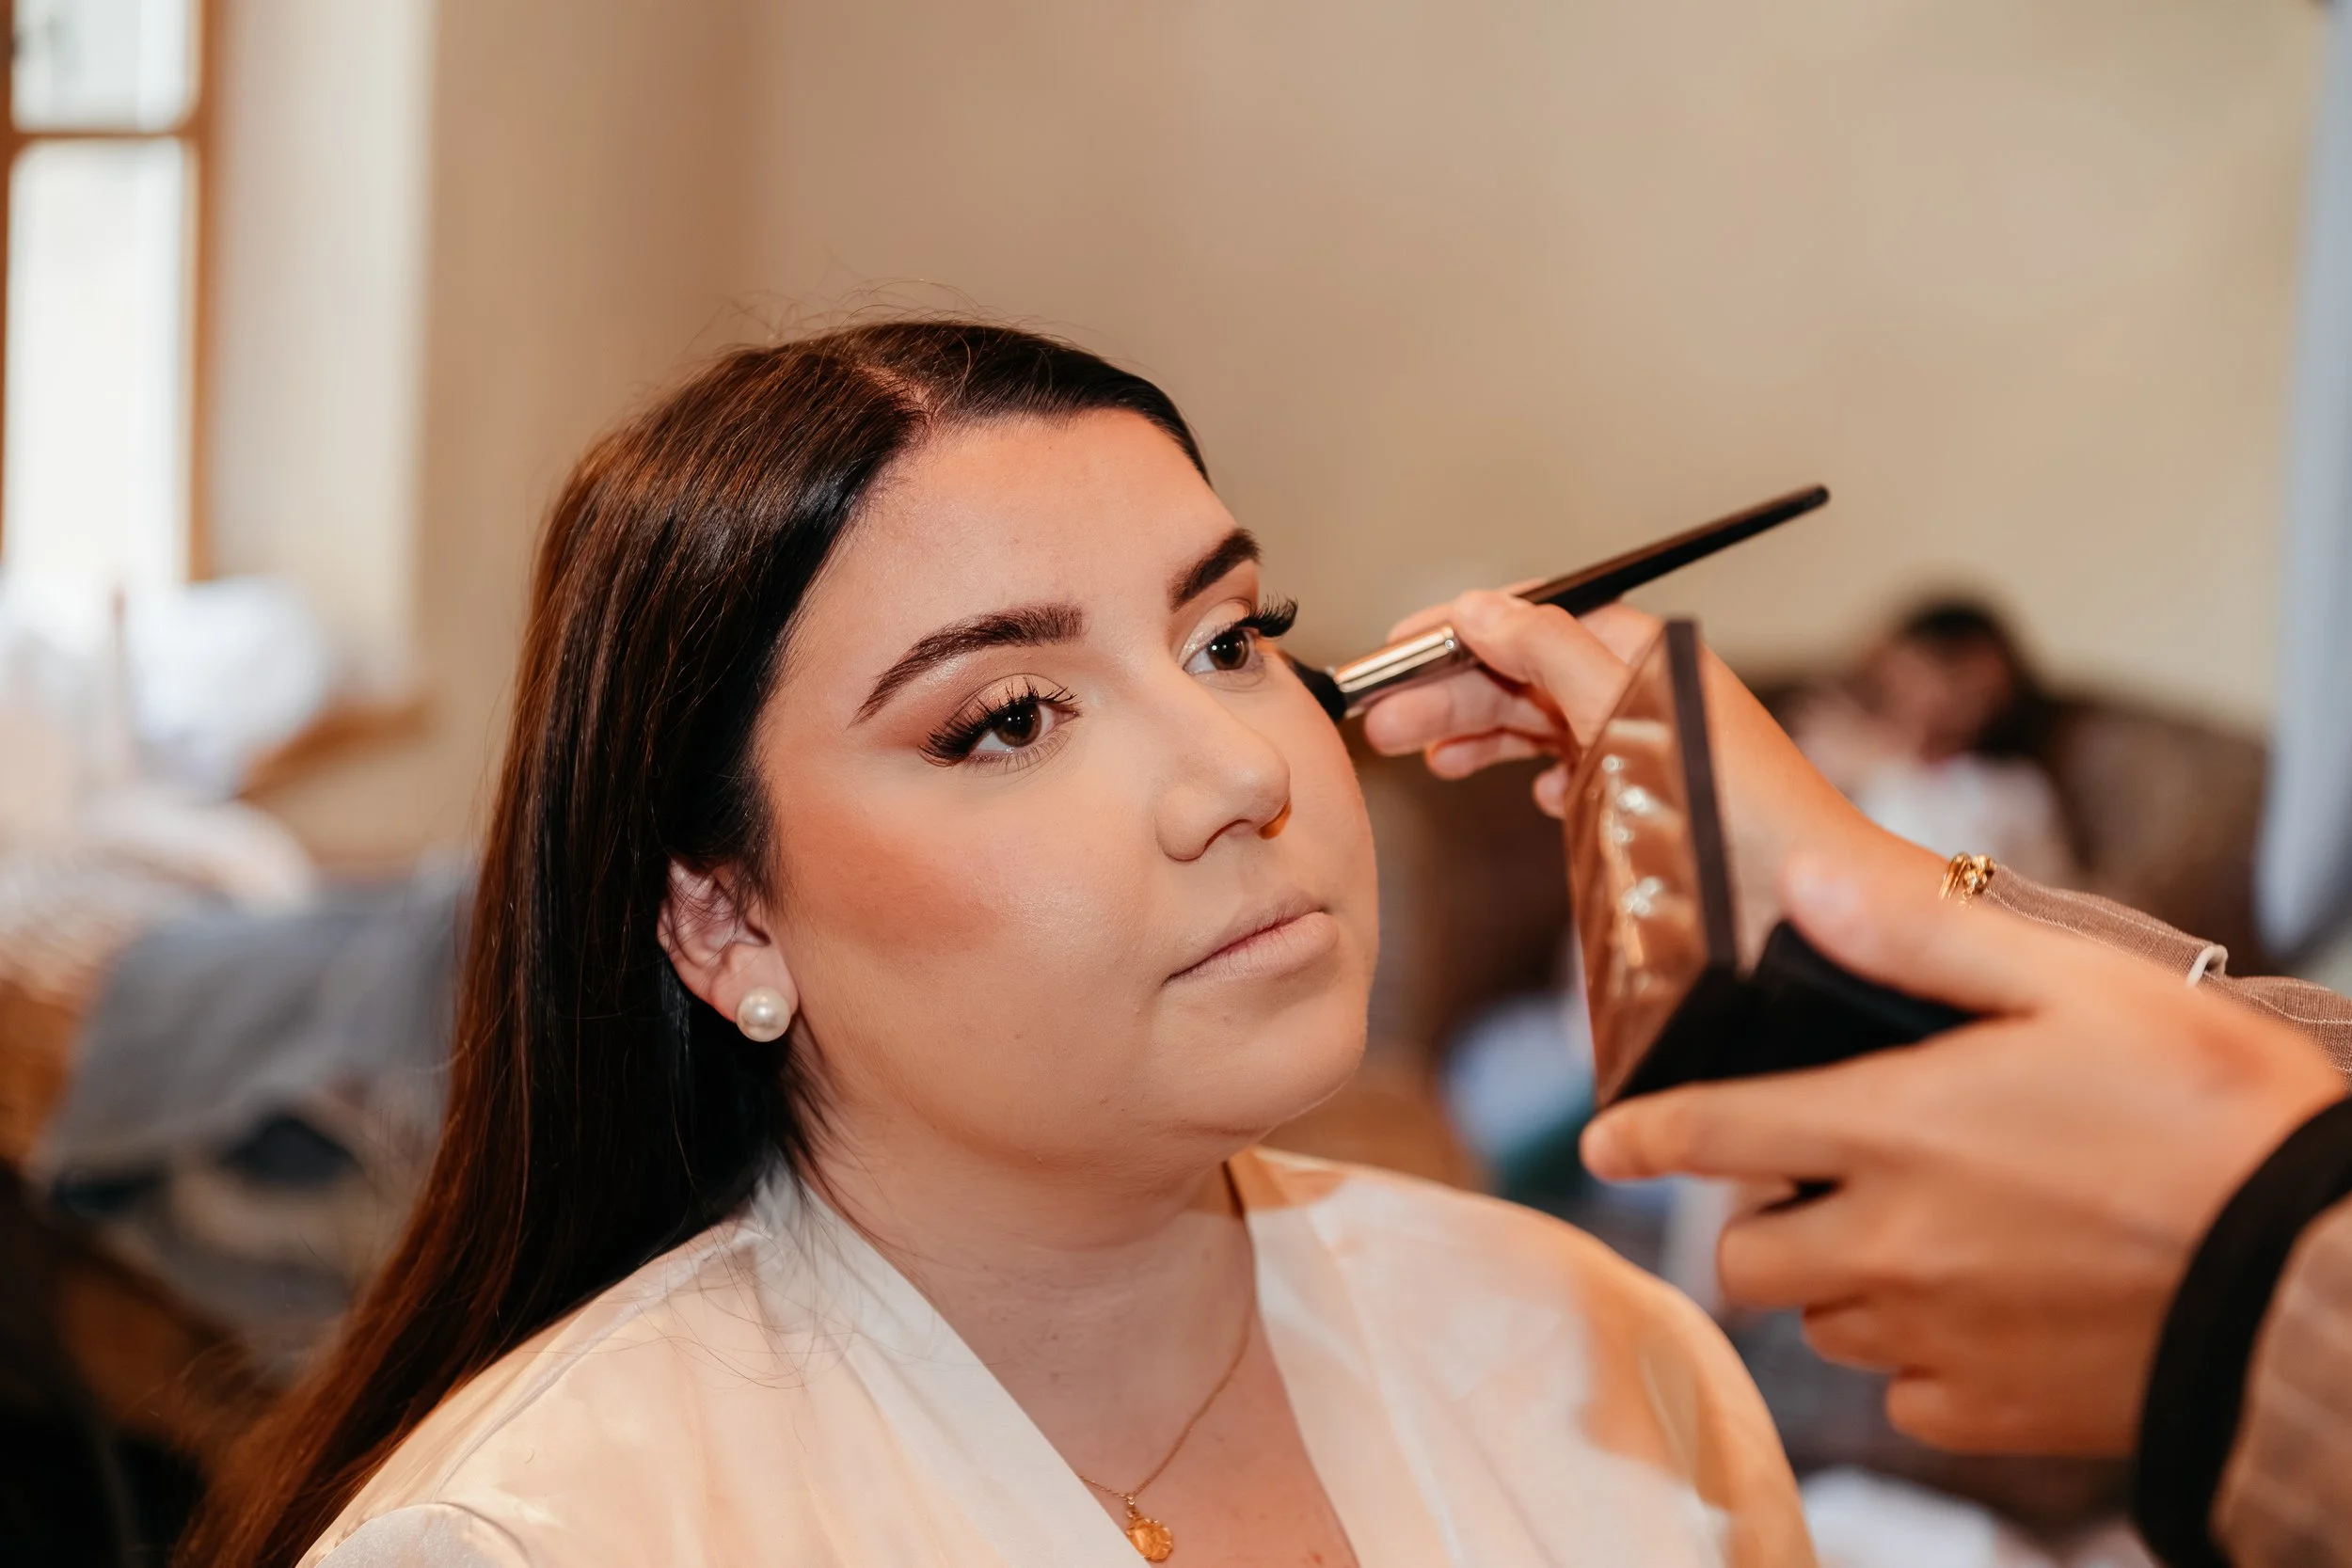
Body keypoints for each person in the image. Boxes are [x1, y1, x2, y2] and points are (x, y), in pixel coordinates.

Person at [180, 324, 1815, 1568]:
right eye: (1010, 719)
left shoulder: (1604, 1360)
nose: (1246, 772)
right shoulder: (548, 1533)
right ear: (727, 917)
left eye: (1228, 637)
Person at [1362, 588, 2352, 1568]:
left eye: (1966, 677)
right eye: (1923, 663)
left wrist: (2255, 1252)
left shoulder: (1995, 791)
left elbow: (1987, 872)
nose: (1936, 691)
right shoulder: (1826, 738)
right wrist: (1845, 839)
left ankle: (1699, 1308)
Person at [1788, 599, 2076, 887]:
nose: (1964, 707)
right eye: (1951, 673)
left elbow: (1966, 887)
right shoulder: (1826, 742)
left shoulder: (2014, 788)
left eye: (1985, 695)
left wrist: (1886, 777)